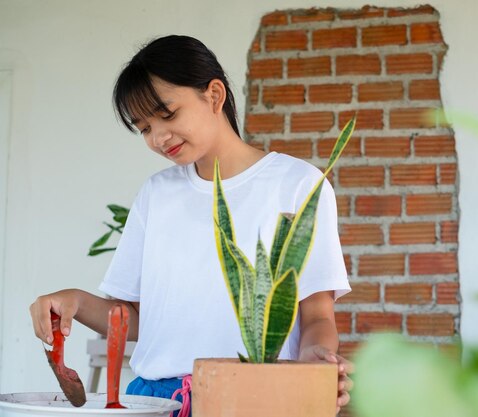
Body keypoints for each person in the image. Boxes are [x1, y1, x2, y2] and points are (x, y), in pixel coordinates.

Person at [29, 34, 353, 416]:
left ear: (214, 95)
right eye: (144, 128)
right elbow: (134, 320)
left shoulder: (298, 184)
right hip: (154, 403)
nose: (158, 137)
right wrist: (76, 302)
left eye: (167, 115)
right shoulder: (156, 193)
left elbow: (316, 316)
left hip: (255, 398)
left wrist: (315, 358)